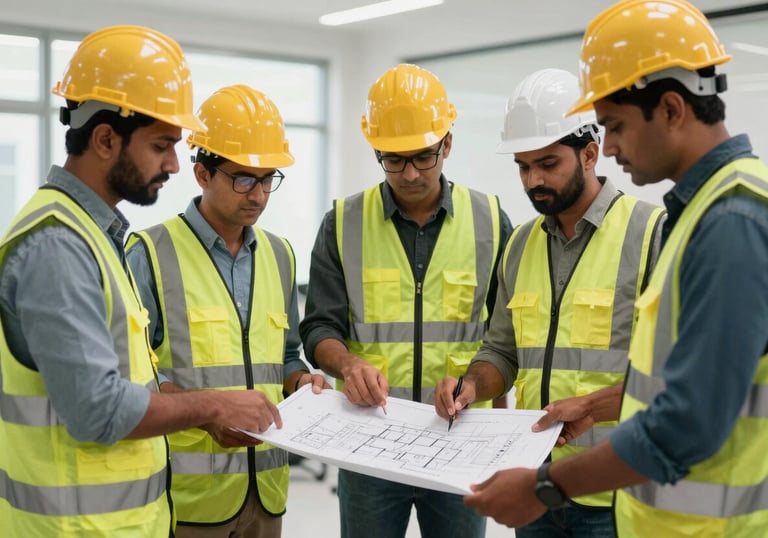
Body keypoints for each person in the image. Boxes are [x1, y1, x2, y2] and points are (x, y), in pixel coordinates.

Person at [460, 1, 768, 536]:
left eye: (616, 126)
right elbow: (675, 385)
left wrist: (544, 486)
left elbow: (686, 423)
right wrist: (597, 406)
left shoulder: (731, 222)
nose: (613, 146)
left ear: (671, 110)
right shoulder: (702, 213)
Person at [0, 27, 284, 537]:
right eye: (161, 146)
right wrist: (214, 403)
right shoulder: (58, 247)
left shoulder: (94, 234)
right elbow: (98, 410)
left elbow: (138, 379)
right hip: (76, 528)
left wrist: (204, 414)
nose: (175, 165)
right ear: (106, 139)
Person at [434, 67, 666, 537]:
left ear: (589, 153)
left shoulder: (650, 234)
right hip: (536, 486)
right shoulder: (519, 245)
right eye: (522, 166)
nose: (533, 179)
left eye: (547, 163)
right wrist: (473, 385)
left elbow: (672, 377)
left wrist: (593, 405)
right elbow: (502, 351)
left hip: (618, 491)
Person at [299, 63, 513, 538]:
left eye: (423, 156)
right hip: (368, 439)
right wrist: (349, 365)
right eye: (394, 159)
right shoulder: (343, 222)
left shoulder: (492, 222)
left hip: (458, 439)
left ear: (448, 145)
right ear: (376, 150)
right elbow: (318, 328)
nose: (411, 173)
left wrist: (480, 394)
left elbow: (508, 337)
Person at [126, 84, 329, 538]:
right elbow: (134, 376)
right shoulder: (150, 252)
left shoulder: (280, 255)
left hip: (268, 492)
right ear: (201, 173)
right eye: (243, 178)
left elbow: (286, 354)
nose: (257, 195)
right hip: (188, 494)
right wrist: (205, 411)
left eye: (267, 179)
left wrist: (302, 380)